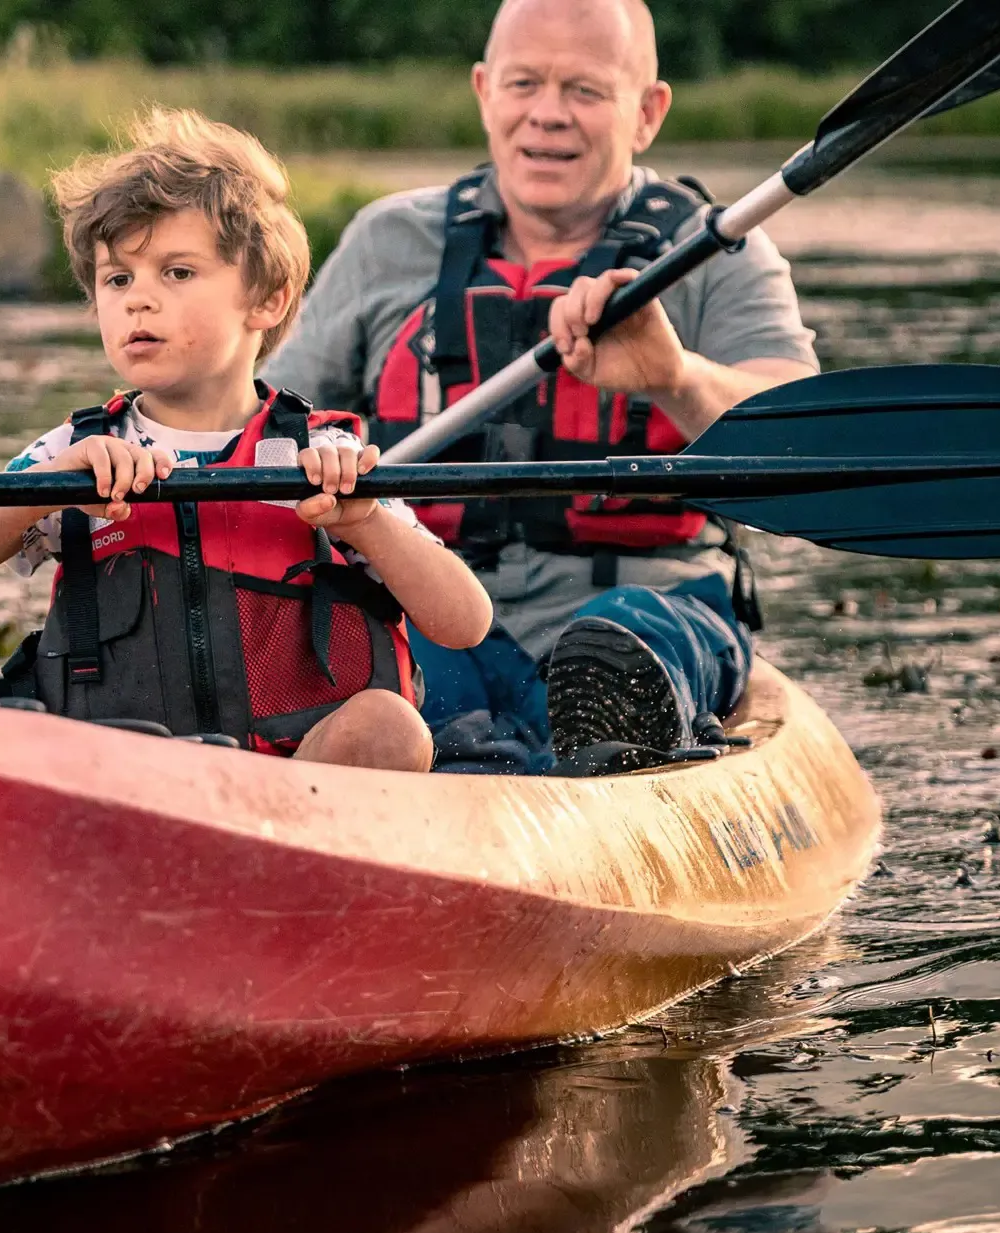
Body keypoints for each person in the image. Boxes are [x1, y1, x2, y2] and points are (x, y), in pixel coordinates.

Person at [263, 0, 819, 774]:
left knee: (618, 640)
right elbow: (258, 427)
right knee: (419, 693)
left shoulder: (718, 251)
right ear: (486, 91)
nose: (547, 115)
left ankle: (607, 727)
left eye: (584, 91)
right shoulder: (388, 241)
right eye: (525, 84)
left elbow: (800, 440)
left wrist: (673, 375)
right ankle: (474, 766)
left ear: (647, 112)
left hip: (650, 604)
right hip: (434, 606)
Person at [0, 108, 493, 772]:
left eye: (177, 273)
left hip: (297, 792)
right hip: (120, 782)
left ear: (266, 300)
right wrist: (58, 481)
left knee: (391, 727)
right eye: (117, 279)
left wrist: (366, 524)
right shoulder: (76, 450)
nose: (138, 301)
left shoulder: (324, 454)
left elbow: (464, 622)